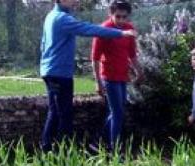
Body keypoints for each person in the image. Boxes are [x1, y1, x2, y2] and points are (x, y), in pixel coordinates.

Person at [40, 0, 136, 152]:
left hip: (50, 71)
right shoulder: (62, 18)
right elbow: (88, 29)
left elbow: (43, 43)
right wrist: (120, 33)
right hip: (60, 73)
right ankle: (61, 153)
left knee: (55, 113)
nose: (76, 0)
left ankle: (48, 150)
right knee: (65, 115)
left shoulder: (51, 15)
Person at [91, 1, 138, 152]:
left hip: (123, 76)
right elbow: (95, 59)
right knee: (118, 113)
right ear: (110, 14)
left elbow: (132, 54)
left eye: (124, 17)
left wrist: (139, 71)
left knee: (117, 112)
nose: (121, 20)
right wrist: (98, 83)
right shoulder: (103, 30)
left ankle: (98, 141)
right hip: (109, 77)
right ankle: (115, 150)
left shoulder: (129, 29)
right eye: (118, 16)